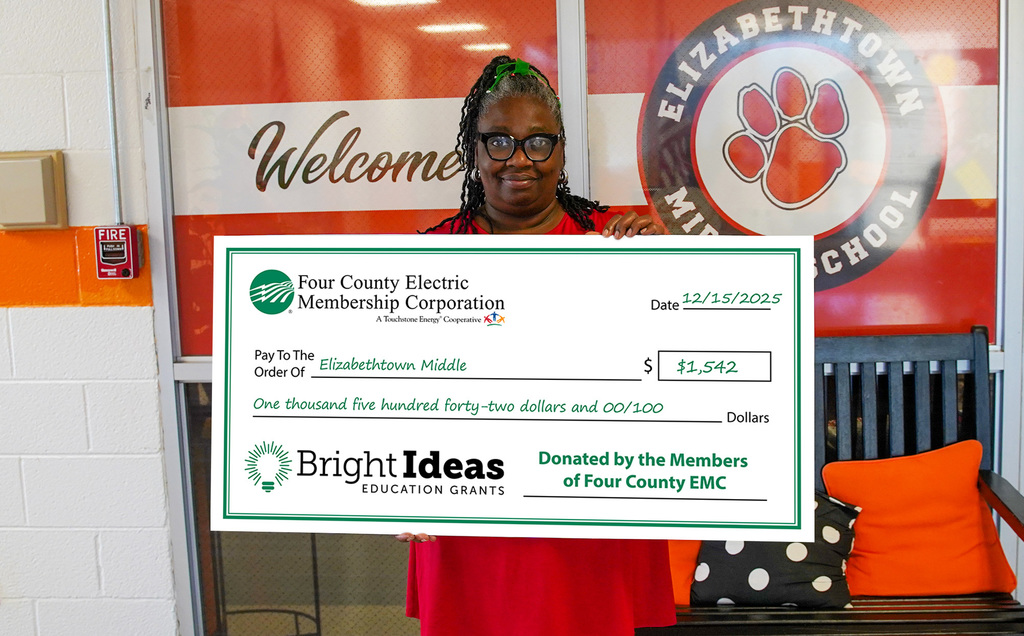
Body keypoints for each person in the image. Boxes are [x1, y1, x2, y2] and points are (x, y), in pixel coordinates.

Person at [400, 56, 675, 636]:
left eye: (536, 142)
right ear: (474, 152)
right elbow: (393, 383)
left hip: (588, 506)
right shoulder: (428, 253)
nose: (518, 158)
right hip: (468, 506)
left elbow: (672, 365)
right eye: (498, 141)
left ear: (561, 151)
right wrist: (387, 481)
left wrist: (671, 269)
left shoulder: (614, 239)